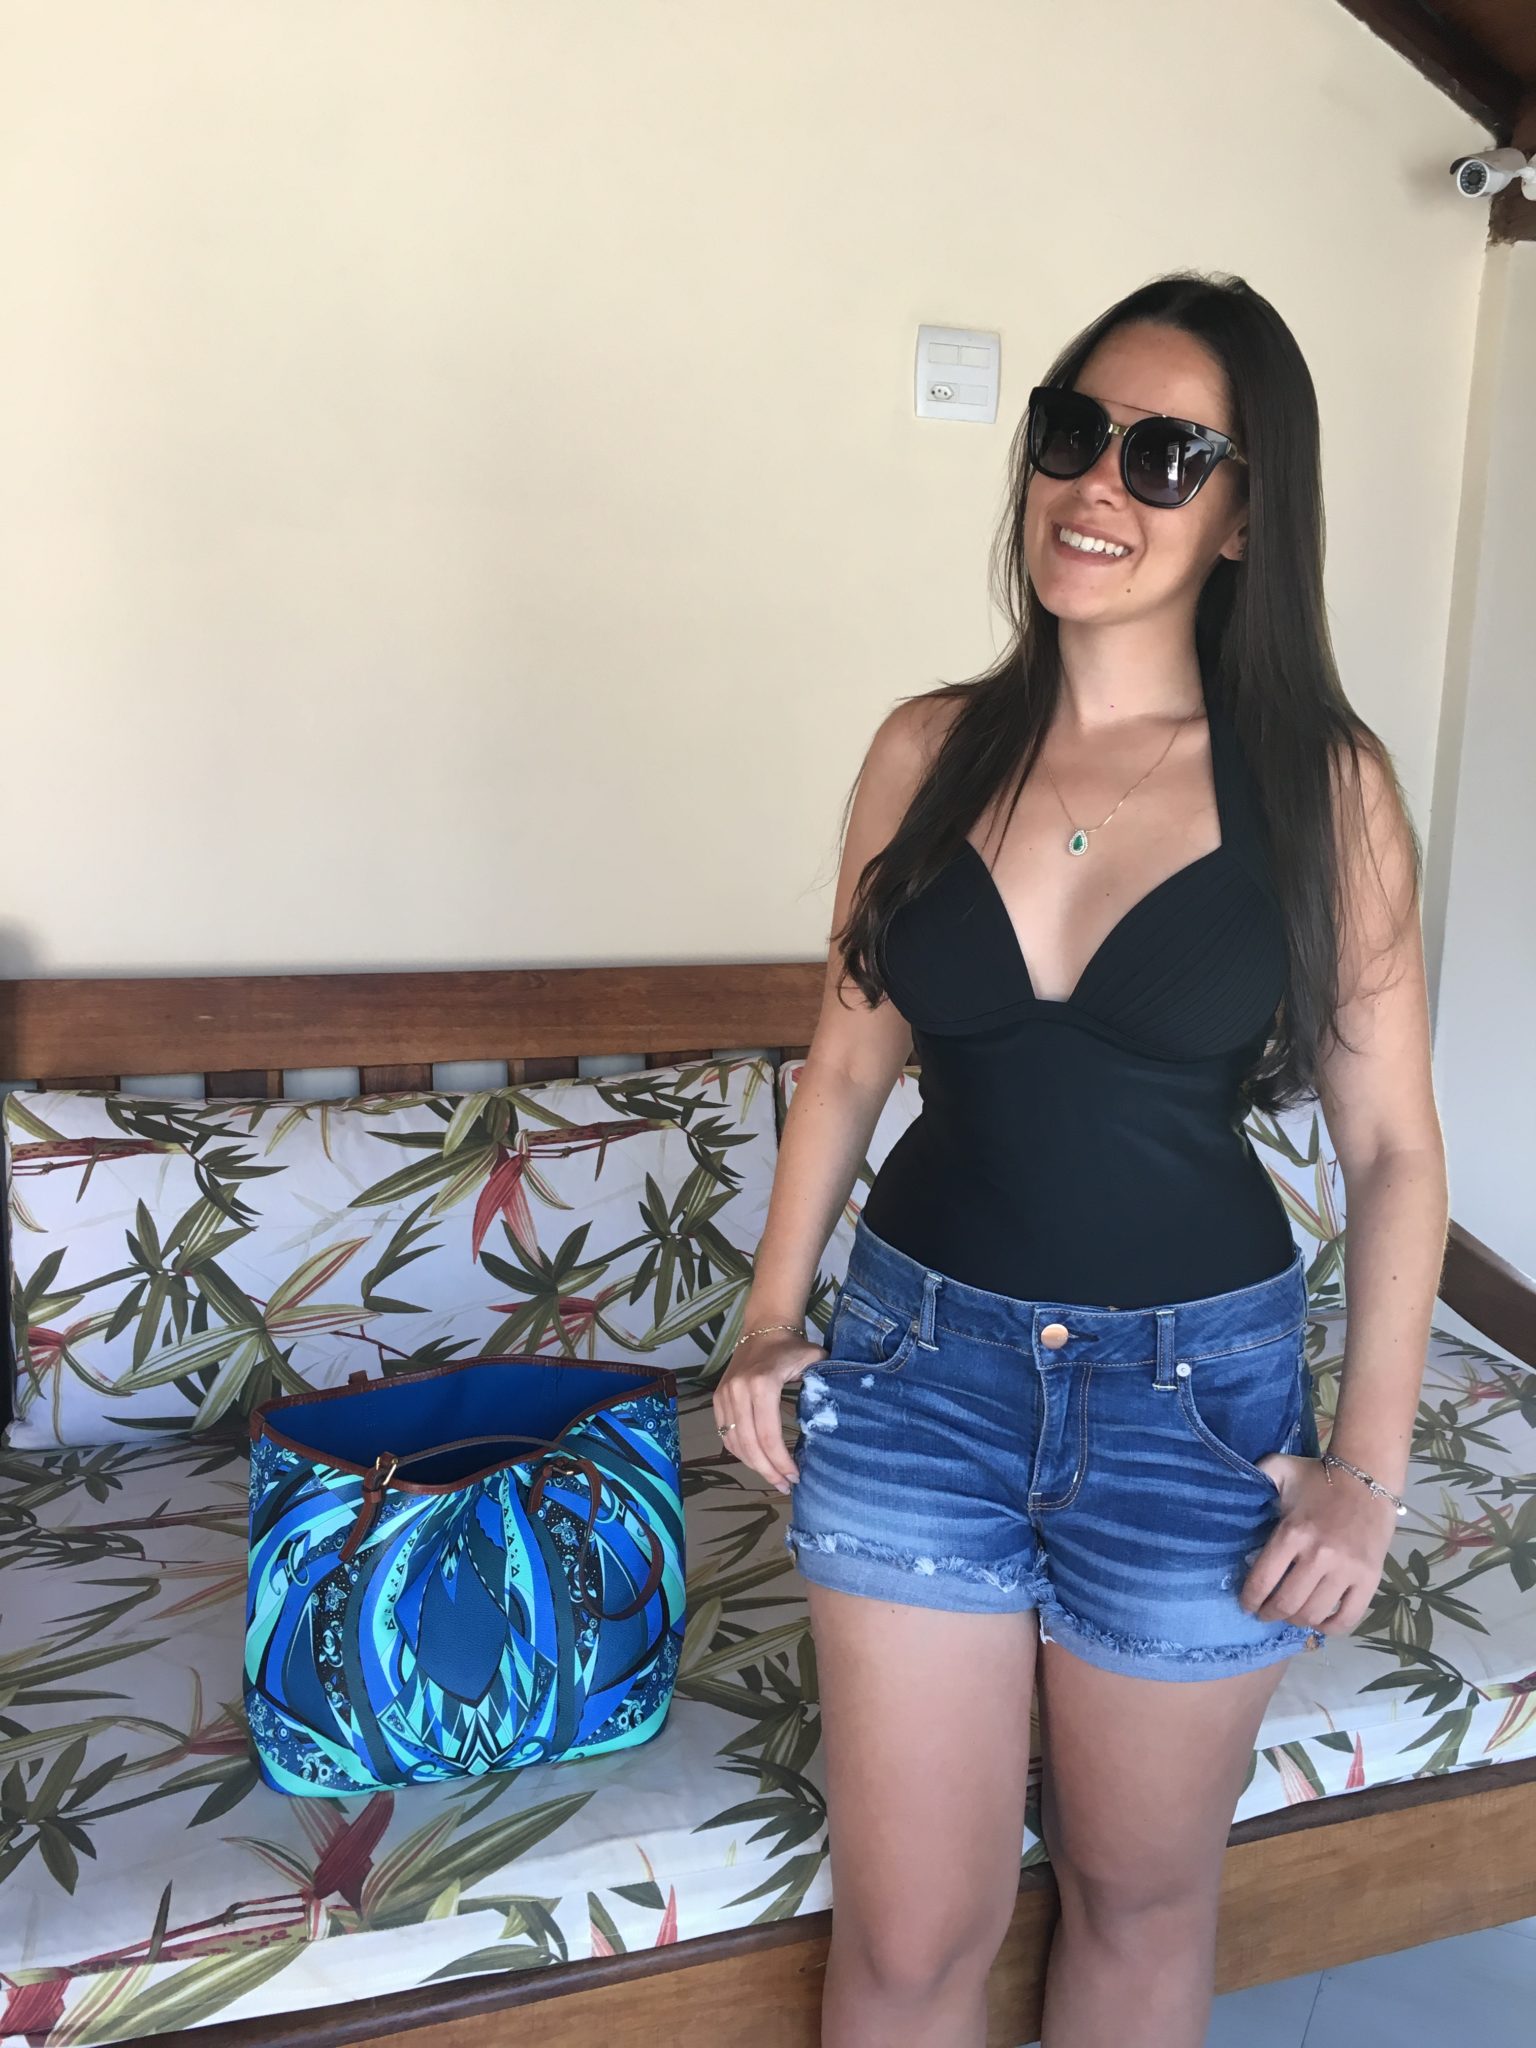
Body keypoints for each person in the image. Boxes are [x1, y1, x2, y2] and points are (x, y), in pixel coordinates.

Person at [711, 270, 1447, 2048]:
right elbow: (847, 1063)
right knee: (912, 1939)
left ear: (1246, 514)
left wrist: (1365, 1470)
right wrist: (768, 1316)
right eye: (1072, 432)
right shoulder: (925, 749)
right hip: (915, 1379)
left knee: (1138, 1900)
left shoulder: (1322, 786)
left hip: (1197, 1410)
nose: (1098, 482)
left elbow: (1393, 1151)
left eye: (1166, 452)